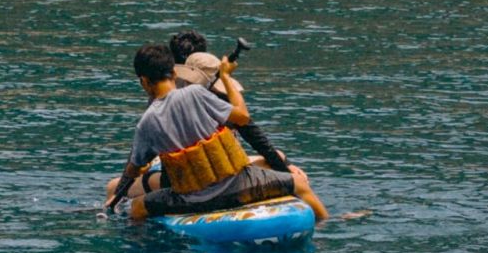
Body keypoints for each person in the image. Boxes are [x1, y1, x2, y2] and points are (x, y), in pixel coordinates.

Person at [105, 44, 327, 222]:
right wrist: (227, 78)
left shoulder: (146, 123)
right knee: (300, 185)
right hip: (237, 186)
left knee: (137, 208)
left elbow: (132, 170)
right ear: (173, 72)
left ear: (143, 81)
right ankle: (325, 227)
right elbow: (242, 116)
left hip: (190, 199)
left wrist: (114, 201)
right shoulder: (196, 93)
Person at [168, 30, 290, 171]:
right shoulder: (220, 97)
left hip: (193, 171)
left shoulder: (168, 96)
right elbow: (253, 134)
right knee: (279, 157)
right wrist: (287, 171)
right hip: (220, 169)